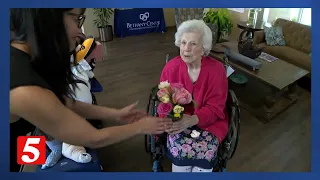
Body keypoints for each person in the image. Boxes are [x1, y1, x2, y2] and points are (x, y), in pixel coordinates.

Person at [10, 8, 172, 172]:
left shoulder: (26, 58)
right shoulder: (23, 87)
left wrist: (116, 114)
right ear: (51, 20)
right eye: (76, 19)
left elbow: (63, 102)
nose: (79, 30)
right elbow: (93, 138)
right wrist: (140, 127)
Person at [160, 19, 229, 172]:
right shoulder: (171, 68)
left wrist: (192, 119)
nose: (186, 49)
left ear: (204, 48)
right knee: (181, 153)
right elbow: (164, 101)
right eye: (183, 42)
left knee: (205, 154)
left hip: (210, 124)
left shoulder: (217, 71)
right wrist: (169, 120)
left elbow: (216, 108)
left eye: (193, 44)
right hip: (178, 122)